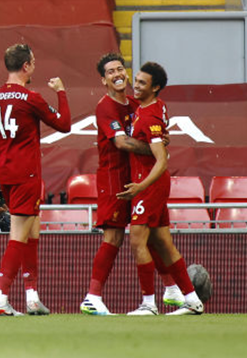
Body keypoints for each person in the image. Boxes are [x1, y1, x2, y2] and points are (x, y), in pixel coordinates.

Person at [0, 43, 71, 316]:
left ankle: (32, 296)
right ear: (26, 66)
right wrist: (61, 92)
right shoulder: (30, 98)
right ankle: (0, 297)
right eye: (33, 61)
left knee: (33, 231)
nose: (34, 66)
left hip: (6, 173)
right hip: (27, 174)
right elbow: (65, 124)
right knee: (18, 234)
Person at [81, 53, 180, 316]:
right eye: (110, 72)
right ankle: (93, 296)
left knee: (148, 235)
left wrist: (159, 140)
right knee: (113, 236)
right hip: (114, 180)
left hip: (136, 179)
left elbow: (158, 127)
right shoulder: (105, 107)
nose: (117, 75)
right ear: (103, 80)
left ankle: (171, 289)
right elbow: (122, 143)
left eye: (119, 69)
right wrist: (156, 150)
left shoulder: (137, 104)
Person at [117, 62, 204, 316]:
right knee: (164, 242)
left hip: (149, 184)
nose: (136, 85)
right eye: (137, 80)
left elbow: (162, 158)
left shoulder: (150, 116)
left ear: (155, 87)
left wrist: (140, 187)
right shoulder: (153, 107)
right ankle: (192, 299)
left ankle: (148, 303)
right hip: (151, 183)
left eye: (142, 83)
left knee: (136, 240)